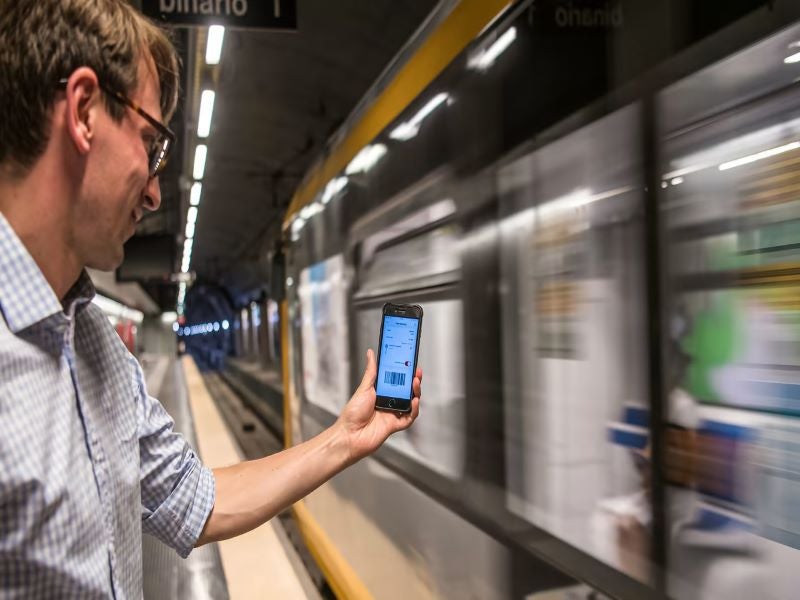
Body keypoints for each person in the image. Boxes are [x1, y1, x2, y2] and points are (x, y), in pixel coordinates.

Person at [0, 1, 422, 597]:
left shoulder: (95, 346)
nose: (154, 194)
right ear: (84, 110)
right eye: (150, 143)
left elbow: (192, 498)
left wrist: (344, 439)